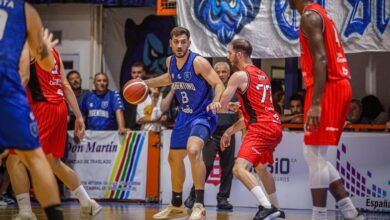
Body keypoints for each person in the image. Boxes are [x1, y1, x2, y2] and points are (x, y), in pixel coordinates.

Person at [289, 0, 364, 219]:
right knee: (314, 155)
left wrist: (316, 103)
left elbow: (321, 59)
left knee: (314, 155)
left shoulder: (310, 17)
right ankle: (350, 212)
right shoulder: (320, 14)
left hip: (329, 86)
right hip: (334, 84)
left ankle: (319, 215)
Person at [7, 48, 103, 220]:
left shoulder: (25, 48)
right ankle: (87, 203)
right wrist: (79, 116)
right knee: (54, 162)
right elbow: (64, 85)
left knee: (15, 160)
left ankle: (26, 213)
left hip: (42, 108)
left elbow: (23, 79)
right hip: (59, 109)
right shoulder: (53, 51)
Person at [144, 27, 225, 220]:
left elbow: (218, 83)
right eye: (176, 42)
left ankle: (199, 205)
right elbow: (169, 78)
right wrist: (146, 83)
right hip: (184, 116)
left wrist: (216, 101)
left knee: (194, 150)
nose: (179, 45)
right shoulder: (170, 61)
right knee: (173, 158)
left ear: (189, 43)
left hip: (203, 114)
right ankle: (177, 204)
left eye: (183, 42)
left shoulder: (198, 62)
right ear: (171, 44)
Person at [0, 2, 64, 219]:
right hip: (8, 91)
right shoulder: (26, 11)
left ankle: (26, 212)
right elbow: (45, 64)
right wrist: (44, 46)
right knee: (36, 159)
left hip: (32, 100)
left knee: (18, 160)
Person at [219, 39, 283, 220]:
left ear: (238, 54)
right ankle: (277, 208)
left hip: (261, 128)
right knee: (261, 167)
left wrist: (211, 107)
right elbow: (253, 114)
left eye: (230, 52)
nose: (228, 56)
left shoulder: (238, 76)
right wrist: (230, 130)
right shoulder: (262, 75)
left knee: (238, 169)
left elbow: (221, 106)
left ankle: (267, 207)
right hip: (274, 126)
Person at [183, 62, 237, 210]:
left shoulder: (235, 91)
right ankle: (194, 196)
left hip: (228, 132)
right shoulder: (208, 89)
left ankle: (223, 199)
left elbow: (240, 115)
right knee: (205, 165)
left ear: (229, 73)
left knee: (227, 167)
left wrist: (239, 133)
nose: (220, 74)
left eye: (224, 72)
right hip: (211, 132)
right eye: (217, 71)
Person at [124, 62, 147, 130]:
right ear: (131, 74)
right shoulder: (126, 89)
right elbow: (120, 110)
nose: (136, 75)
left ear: (144, 73)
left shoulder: (151, 89)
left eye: (139, 72)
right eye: (134, 72)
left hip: (147, 128)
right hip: (130, 129)